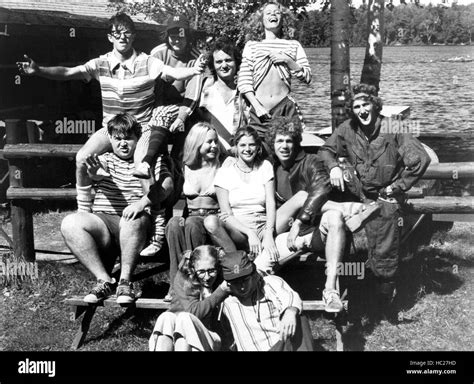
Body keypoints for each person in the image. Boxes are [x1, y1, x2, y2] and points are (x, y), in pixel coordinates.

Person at [16, 12, 204, 214]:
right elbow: (69, 72)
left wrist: (194, 70)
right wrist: (39, 70)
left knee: (143, 166)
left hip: (141, 130)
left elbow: (174, 73)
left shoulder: (148, 62)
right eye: (117, 33)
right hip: (111, 129)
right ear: (110, 37)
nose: (122, 37)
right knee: (82, 158)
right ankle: (84, 211)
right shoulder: (100, 63)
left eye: (127, 33)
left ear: (133, 36)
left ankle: (151, 219)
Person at [318, 83, 431, 317]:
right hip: (358, 193)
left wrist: (397, 187)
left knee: (385, 245)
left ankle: (384, 300)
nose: (361, 110)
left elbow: (419, 159)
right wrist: (333, 168)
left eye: (365, 104)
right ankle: (351, 284)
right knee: (341, 225)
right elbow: (326, 150)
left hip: (385, 196)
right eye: (356, 106)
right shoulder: (347, 129)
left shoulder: (393, 127)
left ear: (375, 105)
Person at [263, 116, 380, 312]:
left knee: (334, 218)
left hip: (309, 231)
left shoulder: (311, 161)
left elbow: (322, 187)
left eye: (289, 140)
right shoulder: (268, 165)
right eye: (279, 141)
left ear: (296, 142)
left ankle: (330, 290)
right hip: (278, 231)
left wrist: (300, 224)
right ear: (272, 143)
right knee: (303, 196)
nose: (284, 146)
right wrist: (296, 224)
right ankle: (347, 208)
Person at [60, 113, 172, 304]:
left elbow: (167, 186)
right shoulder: (106, 159)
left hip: (137, 226)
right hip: (106, 224)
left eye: (128, 138)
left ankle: (125, 282)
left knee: (132, 219)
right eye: (117, 139)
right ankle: (103, 279)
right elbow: (93, 174)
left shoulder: (149, 160)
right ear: (110, 139)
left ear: (138, 139)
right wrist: (94, 174)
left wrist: (142, 203)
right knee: (69, 223)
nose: (123, 144)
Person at [164, 122, 235, 301]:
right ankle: (175, 286)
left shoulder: (224, 165)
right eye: (208, 142)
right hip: (191, 219)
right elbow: (171, 200)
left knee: (192, 223)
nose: (214, 146)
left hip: (213, 221)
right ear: (196, 144)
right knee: (173, 224)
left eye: (215, 142)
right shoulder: (185, 167)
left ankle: (196, 285)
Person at [134, 14, 204, 179]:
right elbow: (151, 85)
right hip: (156, 108)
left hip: (183, 108)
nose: (176, 40)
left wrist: (181, 117)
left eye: (181, 35)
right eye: (172, 36)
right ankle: (149, 166)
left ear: (187, 36)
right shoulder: (158, 53)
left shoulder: (195, 57)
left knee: (181, 152)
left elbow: (193, 92)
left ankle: (148, 164)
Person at [238, 1, 311, 143]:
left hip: (285, 110)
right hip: (259, 111)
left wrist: (288, 60)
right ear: (261, 19)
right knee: (257, 150)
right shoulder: (252, 46)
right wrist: (257, 106)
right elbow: (244, 82)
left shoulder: (293, 45)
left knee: (289, 148)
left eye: (277, 12)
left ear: (283, 18)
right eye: (268, 13)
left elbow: (307, 77)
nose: (273, 15)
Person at [207, 126, 278, 272]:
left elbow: (270, 202)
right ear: (236, 148)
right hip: (240, 229)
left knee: (298, 199)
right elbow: (226, 214)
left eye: (252, 145)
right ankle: (237, 262)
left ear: (258, 147)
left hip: (264, 225)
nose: (248, 149)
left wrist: (269, 233)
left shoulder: (265, 166)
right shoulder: (224, 172)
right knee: (211, 221)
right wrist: (249, 232)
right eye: (243, 145)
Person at [220, 251, 314, 351]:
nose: (242, 287)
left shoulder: (267, 283)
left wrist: (290, 311)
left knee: (298, 316)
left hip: (278, 346)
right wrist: (219, 292)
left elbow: (290, 296)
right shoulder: (225, 298)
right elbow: (202, 310)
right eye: (235, 283)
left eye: (245, 280)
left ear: (253, 275)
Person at [149, 245, 231, 351]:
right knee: (166, 317)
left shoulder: (224, 278)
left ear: (218, 268)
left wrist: (221, 291)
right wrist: (219, 293)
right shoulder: (184, 277)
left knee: (185, 319)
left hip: (212, 336)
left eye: (211, 271)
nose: (207, 277)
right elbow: (193, 311)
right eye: (201, 272)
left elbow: (192, 315)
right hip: (180, 334)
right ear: (192, 268)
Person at [177, 37, 248, 151]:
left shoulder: (245, 92)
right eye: (219, 62)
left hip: (235, 155)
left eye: (228, 60)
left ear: (236, 62)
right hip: (207, 154)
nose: (224, 66)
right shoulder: (203, 88)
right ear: (213, 65)